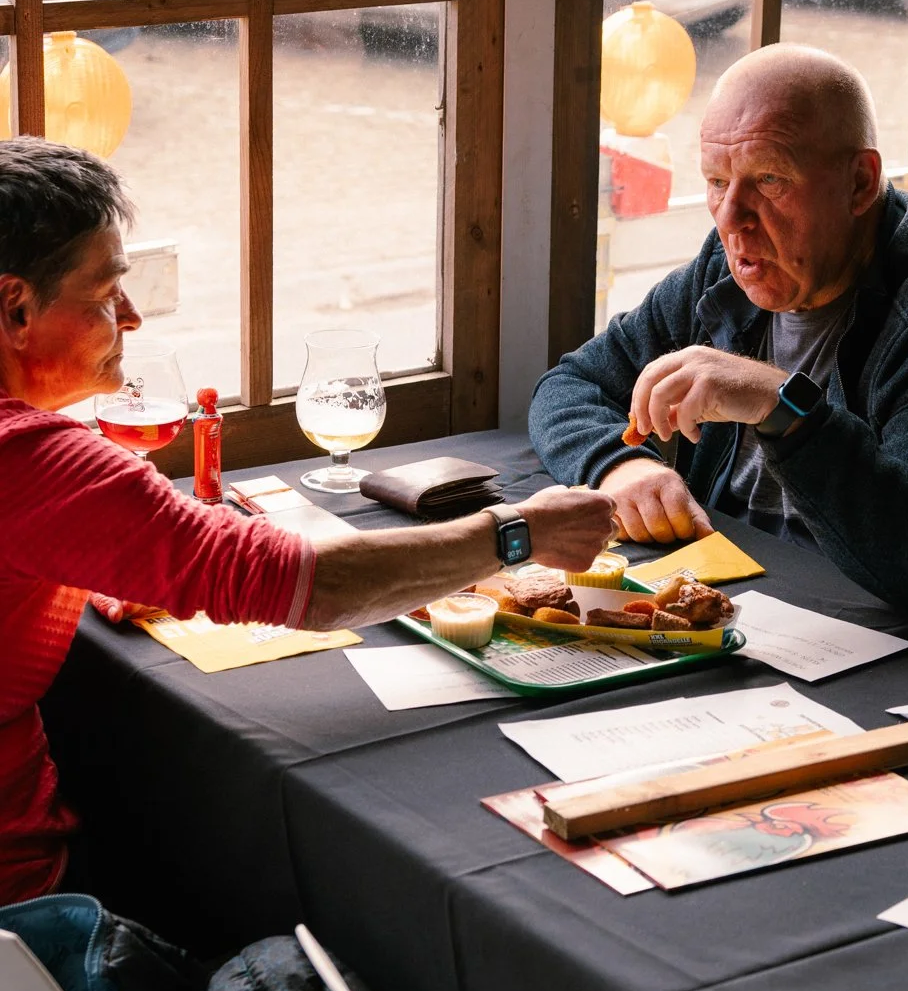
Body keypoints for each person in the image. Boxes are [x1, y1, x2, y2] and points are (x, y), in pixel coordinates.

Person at [0, 137, 614, 905]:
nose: (131, 317)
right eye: (103, 295)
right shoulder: (29, 460)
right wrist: (518, 534)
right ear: (15, 306)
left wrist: (112, 556)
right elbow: (307, 585)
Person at [530, 44, 908, 674]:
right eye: (717, 182)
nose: (732, 218)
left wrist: (782, 407)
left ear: (860, 182)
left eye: (770, 180)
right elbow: (572, 384)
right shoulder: (728, 270)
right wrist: (620, 468)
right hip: (771, 625)